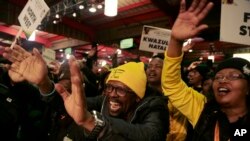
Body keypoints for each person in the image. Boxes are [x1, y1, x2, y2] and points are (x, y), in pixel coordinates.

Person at [1, 45, 169, 141]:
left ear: (137, 95)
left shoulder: (154, 105)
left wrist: (91, 120)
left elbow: (151, 135)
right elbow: (71, 106)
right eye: (109, 87)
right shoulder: (104, 99)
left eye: (120, 89)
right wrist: (43, 82)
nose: (112, 95)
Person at [162, 0, 250, 140]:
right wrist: (175, 41)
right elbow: (172, 85)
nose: (223, 80)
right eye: (218, 77)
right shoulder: (203, 109)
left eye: (233, 76)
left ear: (248, 88)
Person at [146, 54, 192, 141]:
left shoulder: (176, 94)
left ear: (167, 70)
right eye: (149, 66)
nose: (152, 69)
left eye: (157, 66)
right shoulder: (141, 93)